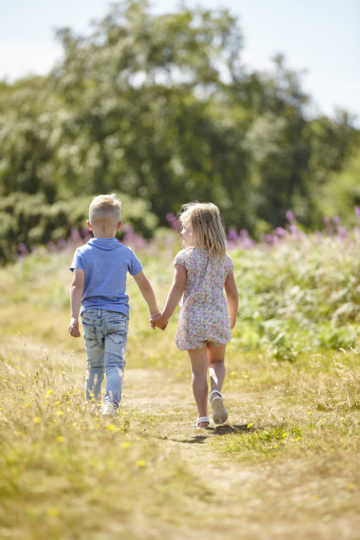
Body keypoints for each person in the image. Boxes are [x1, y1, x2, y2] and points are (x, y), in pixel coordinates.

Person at [68, 194, 161, 416]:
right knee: (114, 364)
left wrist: (73, 316)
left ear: (89, 225)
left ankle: (91, 407)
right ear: (119, 226)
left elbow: (76, 285)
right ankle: (110, 404)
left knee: (94, 365)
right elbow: (145, 284)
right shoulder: (126, 252)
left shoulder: (82, 252)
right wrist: (155, 311)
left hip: (90, 316)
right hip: (117, 316)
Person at [151, 202, 238, 429]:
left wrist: (165, 316)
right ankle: (216, 391)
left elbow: (177, 289)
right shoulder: (224, 259)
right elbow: (232, 293)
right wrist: (232, 317)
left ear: (199, 230)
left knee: (198, 371)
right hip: (218, 318)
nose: (182, 232)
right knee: (217, 361)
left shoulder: (185, 257)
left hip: (193, 320)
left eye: (186, 228)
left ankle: (202, 417)